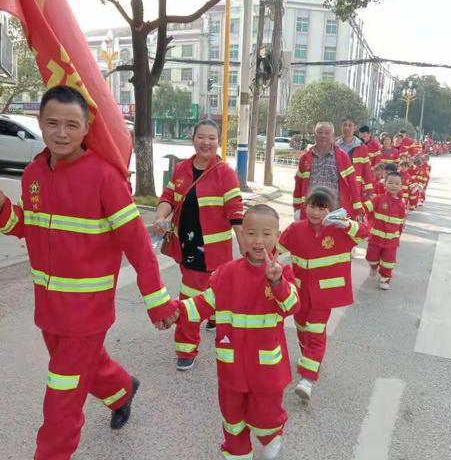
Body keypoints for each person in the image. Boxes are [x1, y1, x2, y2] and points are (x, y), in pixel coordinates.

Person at [0, 86, 178, 460]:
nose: (61, 132)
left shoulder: (103, 178)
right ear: (39, 124)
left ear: (86, 129)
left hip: (87, 313)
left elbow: (137, 244)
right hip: (49, 309)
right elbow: (26, 225)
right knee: (90, 366)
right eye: (52, 123)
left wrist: (158, 302)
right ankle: (122, 391)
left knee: (61, 398)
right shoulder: (34, 173)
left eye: (71, 124)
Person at [173, 204, 299, 460]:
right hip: (231, 366)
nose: (258, 240)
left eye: (266, 234)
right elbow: (202, 304)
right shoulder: (226, 273)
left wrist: (277, 283)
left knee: (266, 416)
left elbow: (291, 307)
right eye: (251, 233)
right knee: (232, 419)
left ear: (277, 236)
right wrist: (173, 311)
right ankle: (237, 454)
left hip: (266, 368)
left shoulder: (281, 272)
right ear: (241, 236)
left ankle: (271, 435)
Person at [154, 119, 244, 371]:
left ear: (218, 141)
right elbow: (168, 197)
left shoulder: (225, 174)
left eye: (212, 138)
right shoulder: (182, 168)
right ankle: (202, 327)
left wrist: (249, 250)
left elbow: (236, 215)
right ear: (193, 138)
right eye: (201, 137)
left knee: (194, 298)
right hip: (187, 248)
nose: (206, 142)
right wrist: (161, 217)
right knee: (200, 293)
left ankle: (187, 347)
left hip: (215, 251)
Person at [278, 187, 368, 400]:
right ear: (305, 206)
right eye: (312, 206)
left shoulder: (340, 232)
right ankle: (308, 357)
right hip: (299, 293)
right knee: (302, 329)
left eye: (321, 208)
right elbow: (276, 250)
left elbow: (365, 234)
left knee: (316, 332)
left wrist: (347, 224)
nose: (315, 212)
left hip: (323, 297)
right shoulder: (295, 229)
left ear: (331, 210)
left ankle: (307, 379)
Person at [293, 122, 363, 221]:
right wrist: (297, 208)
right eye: (320, 132)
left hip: (334, 211)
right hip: (312, 210)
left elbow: (353, 184)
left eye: (327, 133)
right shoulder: (305, 158)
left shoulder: (343, 157)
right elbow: (298, 185)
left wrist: (358, 210)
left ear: (333, 136)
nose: (323, 135)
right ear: (315, 135)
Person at [364, 172, 407, 290]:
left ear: (401, 186)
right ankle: (373, 267)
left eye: (397, 183)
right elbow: (366, 207)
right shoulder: (379, 198)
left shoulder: (402, 205)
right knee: (370, 257)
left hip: (391, 242)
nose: (393, 185)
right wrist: (358, 209)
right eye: (390, 182)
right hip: (375, 238)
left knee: (388, 262)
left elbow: (401, 223)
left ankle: (385, 278)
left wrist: (398, 238)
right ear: (385, 184)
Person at [336, 118, 374, 200]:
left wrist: (369, 191)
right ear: (341, 127)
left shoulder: (361, 147)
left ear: (355, 127)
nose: (347, 128)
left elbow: (366, 170)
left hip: (355, 186)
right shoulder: (335, 145)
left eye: (350, 125)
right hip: (337, 185)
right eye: (344, 125)